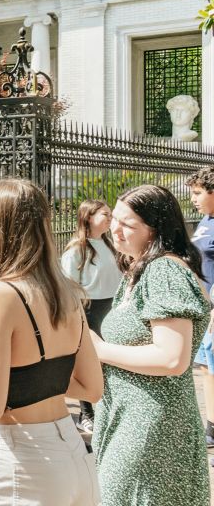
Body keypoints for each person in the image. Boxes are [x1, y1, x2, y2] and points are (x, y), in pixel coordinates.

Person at [0, 179, 103, 506]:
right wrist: (36, 377)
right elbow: (91, 388)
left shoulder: (0, 295)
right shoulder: (66, 291)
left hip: (23, 459)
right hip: (73, 453)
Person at [91, 184, 212, 506]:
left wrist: (100, 349)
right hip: (128, 416)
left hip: (152, 424)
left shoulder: (164, 270)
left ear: (155, 230)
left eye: (128, 224)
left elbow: (172, 358)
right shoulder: (138, 270)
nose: (114, 229)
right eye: (113, 218)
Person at [60, 199, 122, 434]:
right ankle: (85, 413)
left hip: (110, 306)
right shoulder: (77, 249)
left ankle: (104, 408)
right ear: (88, 217)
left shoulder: (111, 245)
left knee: (107, 361)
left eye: (110, 214)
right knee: (88, 360)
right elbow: (68, 285)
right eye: (104, 214)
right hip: (88, 308)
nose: (109, 218)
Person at [187, 167, 214, 451]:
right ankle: (211, 427)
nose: (193, 199)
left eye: (197, 193)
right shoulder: (205, 220)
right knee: (207, 367)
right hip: (204, 309)